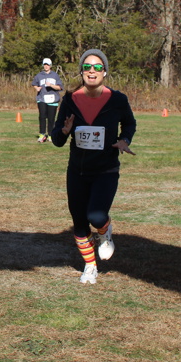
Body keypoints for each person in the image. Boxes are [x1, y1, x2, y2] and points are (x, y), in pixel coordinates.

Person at [51, 49, 136, 285]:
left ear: (104, 72)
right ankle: (90, 266)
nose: (92, 71)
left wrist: (124, 140)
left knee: (96, 216)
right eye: (87, 66)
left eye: (97, 67)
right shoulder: (70, 99)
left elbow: (129, 123)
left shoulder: (117, 99)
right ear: (81, 71)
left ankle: (105, 232)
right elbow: (57, 139)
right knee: (79, 223)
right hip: (77, 172)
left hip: (105, 170)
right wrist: (64, 131)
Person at [32, 58, 63, 143]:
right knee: (42, 117)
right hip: (42, 99)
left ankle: (50, 135)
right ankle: (42, 134)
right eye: (45, 64)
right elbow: (34, 84)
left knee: (51, 118)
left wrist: (51, 85)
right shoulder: (39, 75)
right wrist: (37, 88)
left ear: (50, 66)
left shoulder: (55, 75)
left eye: (48, 65)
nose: (46, 66)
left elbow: (60, 87)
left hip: (53, 100)